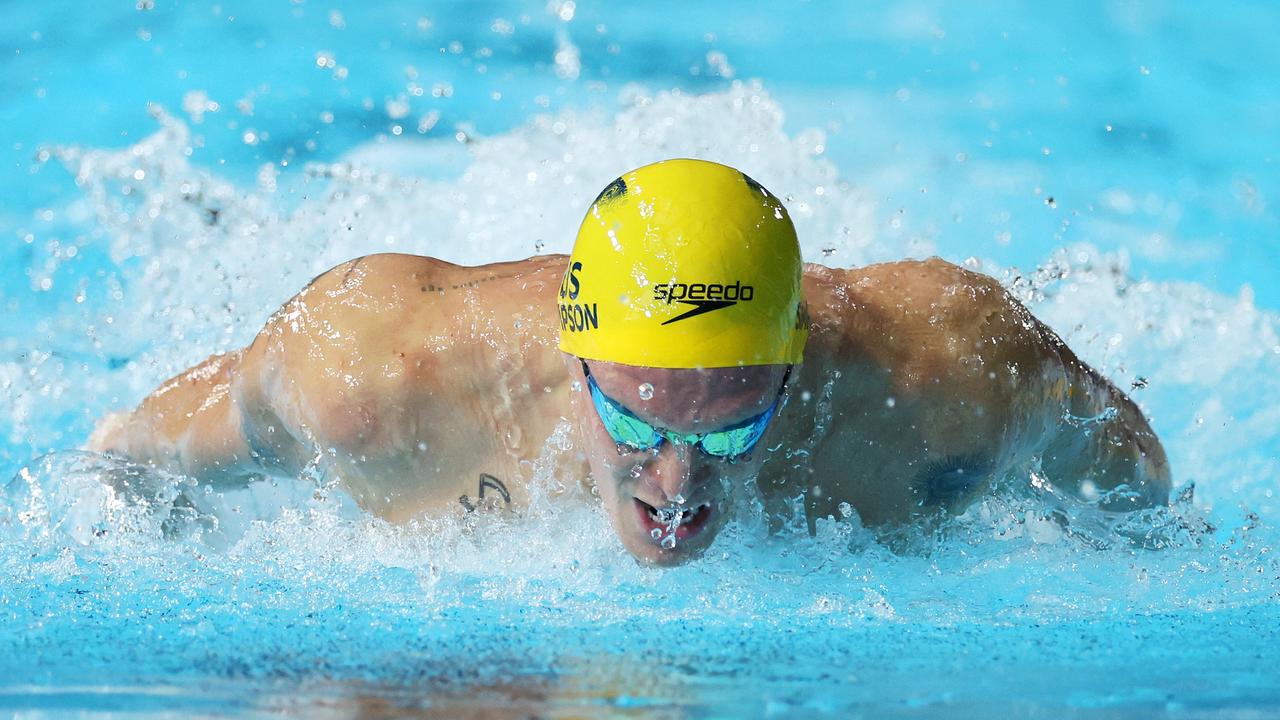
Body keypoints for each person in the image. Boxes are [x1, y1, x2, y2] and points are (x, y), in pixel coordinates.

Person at [88, 159, 1170, 565]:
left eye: (728, 427)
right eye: (638, 422)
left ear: (795, 365)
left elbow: (1132, 480)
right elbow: (131, 452)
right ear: (576, 358)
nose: (676, 485)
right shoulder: (373, 382)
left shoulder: (948, 381)